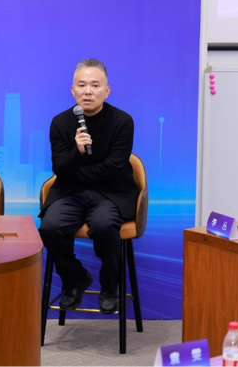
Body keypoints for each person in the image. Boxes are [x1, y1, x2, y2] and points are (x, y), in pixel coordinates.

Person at [39, 59, 139, 314]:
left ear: (107, 90)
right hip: (69, 192)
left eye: (95, 85)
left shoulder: (122, 121)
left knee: (104, 226)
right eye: (82, 85)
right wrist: (77, 151)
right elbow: (59, 168)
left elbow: (114, 168)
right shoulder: (60, 122)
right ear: (72, 90)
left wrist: (75, 172)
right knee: (50, 228)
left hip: (111, 192)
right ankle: (75, 278)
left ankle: (110, 285)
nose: (88, 91)